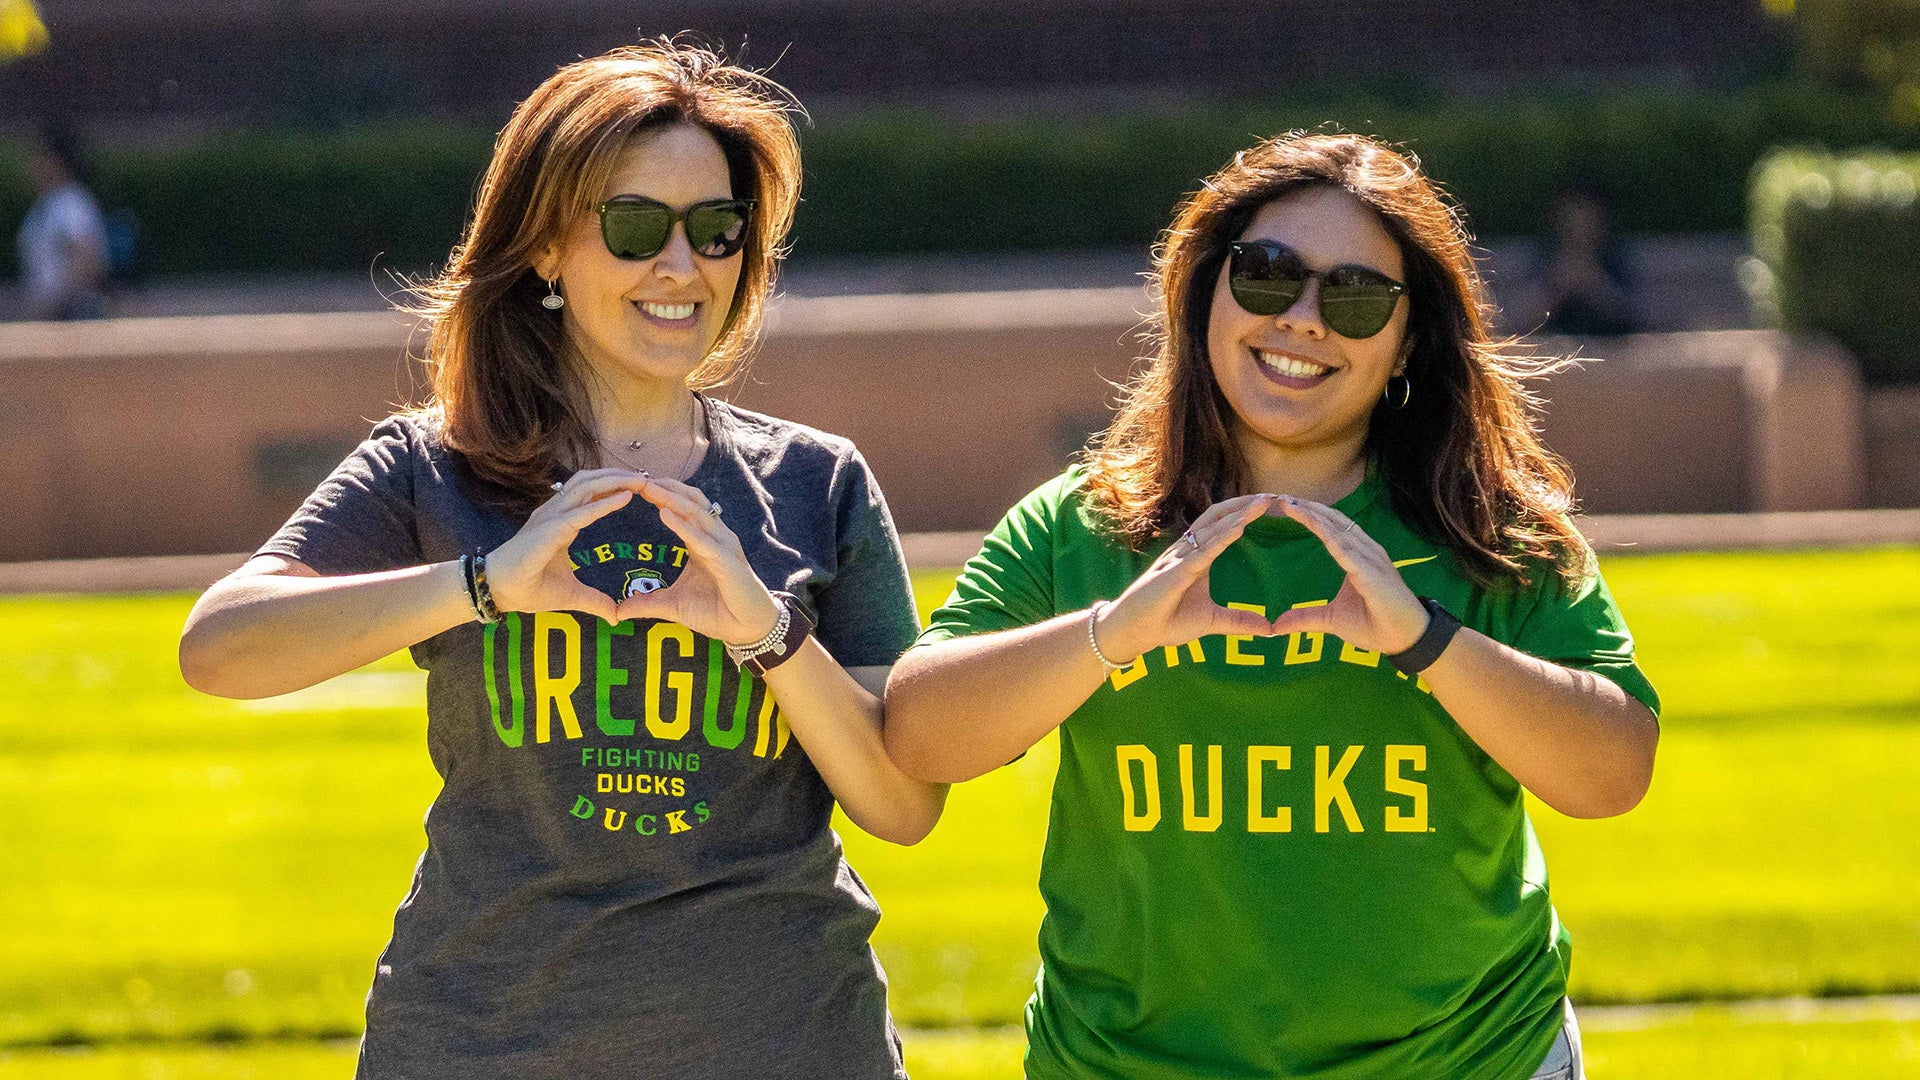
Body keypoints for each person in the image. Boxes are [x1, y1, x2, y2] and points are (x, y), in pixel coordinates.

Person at [179, 40, 944, 1080]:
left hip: (788, 1041)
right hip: (481, 1044)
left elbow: (903, 806)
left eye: (717, 230)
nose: (682, 268)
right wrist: (485, 583)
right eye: (635, 227)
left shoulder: (817, 480)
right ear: (546, 246)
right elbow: (221, 649)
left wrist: (764, 630)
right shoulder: (431, 466)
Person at [883, 133, 1660, 1080]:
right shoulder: (1082, 524)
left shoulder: (1486, 529)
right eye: (1266, 274)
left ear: (1408, 338)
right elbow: (919, 737)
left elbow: (1613, 773)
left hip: (1469, 1059)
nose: (1303, 320)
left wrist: (1425, 640)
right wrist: (1111, 634)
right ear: (1206, 290)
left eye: (1357, 296)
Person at [15, 119, 110, 320]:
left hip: (67, 321)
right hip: (50, 317)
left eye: (36, 157)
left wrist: (50, 308)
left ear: (54, 162)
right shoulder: (48, 205)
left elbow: (87, 263)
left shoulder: (71, 203)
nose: (30, 166)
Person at [1538, 183, 1640, 336]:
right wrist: (1558, 287)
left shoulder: (1614, 256)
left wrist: (1594, 284)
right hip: (1553, 352)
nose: (1581, 223)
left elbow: (1635, 320)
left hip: (1611, 352)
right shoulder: (1544, 254)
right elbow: (1520, 323)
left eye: (1589, 215)